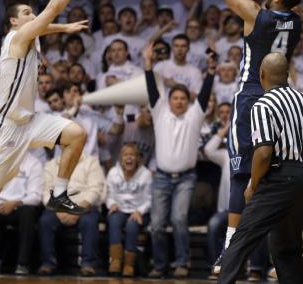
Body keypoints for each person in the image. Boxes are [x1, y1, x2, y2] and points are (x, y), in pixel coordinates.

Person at [0, 0, 91, 238]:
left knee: (77, 134)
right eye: (26, 13)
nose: (32, 16)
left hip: (30, 121)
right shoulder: (16, 38)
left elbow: (45, 23)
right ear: (14, 22)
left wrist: (64, 27)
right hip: (6, 127)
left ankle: (60, 193)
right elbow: (51, 10)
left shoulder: (30, 36)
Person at [214, 0, 303, 275]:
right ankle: (280, 260)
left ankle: (229, 252)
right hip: (280, 101)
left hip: (252, 95)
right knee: (275, 175)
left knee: (241, 175)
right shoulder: (296, 22)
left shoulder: (255, 14)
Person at [218, 53, 303, 284]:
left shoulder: (263, 104)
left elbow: (263, 153)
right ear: (287, 74)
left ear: (262, 75)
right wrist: (302, 168)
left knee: (241, 239)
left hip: (280, 178)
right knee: (286, 247)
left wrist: (254, 184)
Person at [143, 42, 216, 278]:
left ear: (188, 101)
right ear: (169, 101)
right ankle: (160, 265)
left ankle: (182, 263)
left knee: (179, 218)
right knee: (156, 224)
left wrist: (211, 72)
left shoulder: (195, 116)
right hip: (161, 178)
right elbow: (152, 90)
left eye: (183, 98)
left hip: (186, 178)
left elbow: (203, 96)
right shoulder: (159, 113)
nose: (179, 101)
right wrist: (148, 64)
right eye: (174, 98)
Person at [38, 151, 106, 277]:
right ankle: (48, 263)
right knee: (45, 222)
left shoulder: (91, 162)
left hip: (84, 204)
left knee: (89, 222)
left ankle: (88, 264)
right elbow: (46, 191)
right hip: (58, 206)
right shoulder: (51, 165)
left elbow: (95, 189)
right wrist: (58, 211)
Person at [0, 152, 43, 275]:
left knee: (28, 212)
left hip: (18, 209)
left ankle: (22, 264)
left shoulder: (33, 163)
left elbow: (36, 196)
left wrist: (16, 203)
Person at [106, 142, 152, 277]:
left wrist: (140, 211)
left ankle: (128, 265)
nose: (129, 158)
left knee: (132, 225)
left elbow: (150, 199)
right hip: (119, 209)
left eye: (132, 155)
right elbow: (109, 195)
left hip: (138, 211)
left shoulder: (146, 174)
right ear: (120, 158)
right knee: (114, 220)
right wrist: (112, 204)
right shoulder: (113, 173)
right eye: (125, 155)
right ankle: (115, 261)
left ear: (138, 158)